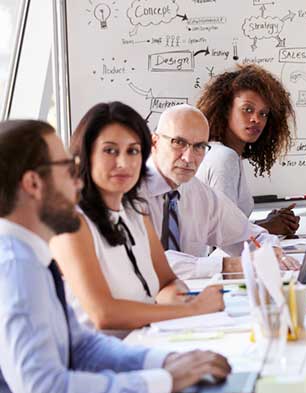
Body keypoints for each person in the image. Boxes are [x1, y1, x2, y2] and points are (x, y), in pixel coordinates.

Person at [0, 119, 230, 393]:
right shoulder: (16, 267)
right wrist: (164, 381)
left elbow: (80, 346)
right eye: (69, 170)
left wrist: (165, 362)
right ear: (33, 184)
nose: (79, 182)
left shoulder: (31, 255)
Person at [48, 102, 224, 338]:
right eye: (110, 150)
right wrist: (191, 309)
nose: (123, 163)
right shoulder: (72, 223)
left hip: (148, 340)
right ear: (86, 154)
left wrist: (180, 300)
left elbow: (168, 282)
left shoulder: (135, 213)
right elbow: (103, 314)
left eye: (133, 151)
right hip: (101, 358)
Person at [139, 104, 299, 280]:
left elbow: (250, 235)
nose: (189, 158)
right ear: (154, 142)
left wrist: (272, 253)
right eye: (179, 143)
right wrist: (230, 265)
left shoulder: (196, 192)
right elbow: (144, 263)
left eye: (199, 146)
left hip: (190, 299)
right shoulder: (127, 190)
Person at [196, 64, 299, 236]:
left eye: (263, 114)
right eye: (247, 109)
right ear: (225, 110)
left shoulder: (223, 153)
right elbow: (222, 238)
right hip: (214, 263)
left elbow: (225, 225)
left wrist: (265, 223)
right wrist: (269, 227)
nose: (256, 119)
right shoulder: (223, 157)